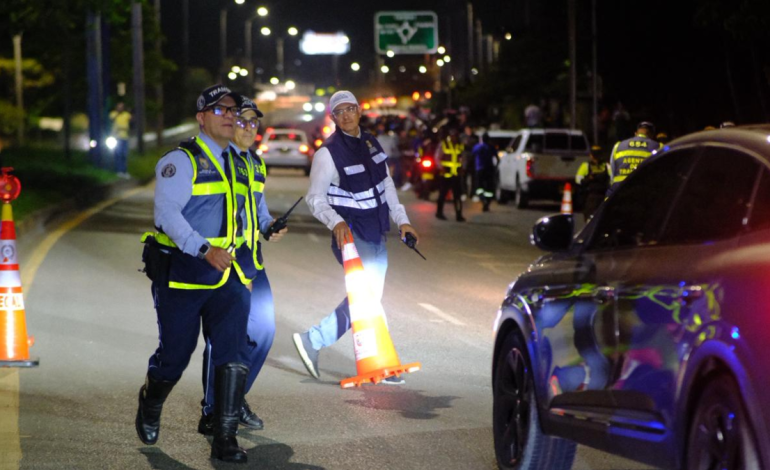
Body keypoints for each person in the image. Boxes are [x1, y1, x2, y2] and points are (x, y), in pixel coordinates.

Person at [135, 84, 257, 463]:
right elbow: (166, 215)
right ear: (201, 117)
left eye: (233, 110)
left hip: (228, 276)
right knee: (175, 355)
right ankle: (151, 401)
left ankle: (225, 437)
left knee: (233, 354)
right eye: (219, 109)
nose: (228, 116)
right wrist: (204, 248)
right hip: (185, 274)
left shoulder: (239, 161)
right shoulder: (181, 159)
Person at [291, 90, 419, 385]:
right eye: (340, 111)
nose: (346, 115)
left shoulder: (371, 143)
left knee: (369, 298)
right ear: (333, 118)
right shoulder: (328, 153)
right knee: (367, 297)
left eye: (351, 109)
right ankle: (316, 340)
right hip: (350, 234)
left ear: (359, 111)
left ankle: (379, 361)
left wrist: (403, 221)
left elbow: (386, 185)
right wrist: (335, 222)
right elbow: (315, 198)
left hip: (376, 231)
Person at [197, 95, 287, 437]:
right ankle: (212, 410)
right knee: (224, 338)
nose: (249, 127)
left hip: (252, 260)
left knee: (263, 332)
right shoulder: (219, 161)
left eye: (254, 122)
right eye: (243, 120)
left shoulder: (256, 163)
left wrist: (269, 226)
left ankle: (233, 399)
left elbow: (258, 209)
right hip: (223, 261)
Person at [608, 121, 661, 195]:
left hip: (618, 192)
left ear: (636, 133)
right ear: (652, 135)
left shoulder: (618, 146)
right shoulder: (659, 147)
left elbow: (612, 172)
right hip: (642, 192)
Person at [435, 128, 466, 222]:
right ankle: (439, 213)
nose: (454, 138)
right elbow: (437, 157)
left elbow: (462, 158)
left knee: (457, 196)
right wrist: (441, 168)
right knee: (442, 195)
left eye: (456, 136)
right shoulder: (444, 145)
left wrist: (462, 167)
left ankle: (459, 214)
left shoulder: (460, 146)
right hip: (445, 175)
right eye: (453, 135)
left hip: (456, 175)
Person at [575, 149, 610, 221]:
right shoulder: (606, 166)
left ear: (591, 156)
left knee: (594, 218)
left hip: (596, 196)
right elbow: (578, 179)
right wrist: (588, 179)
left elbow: (578, 180)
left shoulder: (587, 165)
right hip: (595, 195)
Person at [472, 133, 496, 212]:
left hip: (480, 169)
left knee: (479, 187)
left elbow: (472, 155)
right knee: (489, 189)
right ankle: (487, 203)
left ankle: (483, 201)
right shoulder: (491, 147)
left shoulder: (478, 147)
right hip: (489, 169)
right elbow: (497, 158)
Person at [109, 102, 132, 178]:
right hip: (117, 137)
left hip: (125, 137)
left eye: (121, 107)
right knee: (118, 154)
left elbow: (131, 119)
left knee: (124, 155)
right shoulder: (113, 114)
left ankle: (124, 171)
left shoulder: (126, 114)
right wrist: (117, 114)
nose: (120, 108)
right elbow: (111, 119)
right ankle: (118, 171)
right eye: (119, 107)